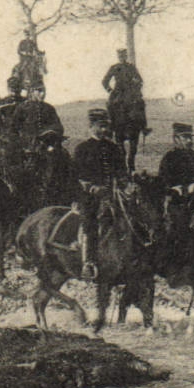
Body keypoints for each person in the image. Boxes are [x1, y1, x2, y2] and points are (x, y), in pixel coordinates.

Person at [71, 108, 130, 281]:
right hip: (89, 197)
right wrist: (91, 188)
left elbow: (121, 172)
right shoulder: (82, 149)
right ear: (91, 126)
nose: (104, 130)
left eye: (106, 126)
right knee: (90, 224)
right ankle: (89, 263)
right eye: (100, 126)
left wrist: (126, 183)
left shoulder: (114, 148)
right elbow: (76, 177)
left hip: (112, 195)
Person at [156, 122, 194, 236]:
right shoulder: (169, 157)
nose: (189, 141)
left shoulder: (193, 155)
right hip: (178, 201)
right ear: (176, 139)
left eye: (190, 138)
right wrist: (178, 188)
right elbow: (163, 180)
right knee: (180, 226)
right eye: (185, 137)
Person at [101, 47, 148, 171]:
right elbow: (104, 81)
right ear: (118, 57)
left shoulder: (131, 67)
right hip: (118, 92)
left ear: (126, 56)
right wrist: (110, 90)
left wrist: (136, 85)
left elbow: (140, 80)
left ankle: (143, 127)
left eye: (124, 55)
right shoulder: (114, 67)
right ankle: (110, 127)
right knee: (110, 105)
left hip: (130, 91)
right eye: (120, 56)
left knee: (141, 103)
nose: (122, 57)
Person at [7, 84, 64, 151]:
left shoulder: (49, 108)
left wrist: (50, 133)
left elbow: (58, 127)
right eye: (39, 91)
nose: (42, 94)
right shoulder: (22, 107)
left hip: (47, 143)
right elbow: (13, 129)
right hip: (27, 145)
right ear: (32, 92)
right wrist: (21, 142)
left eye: (44, 91)